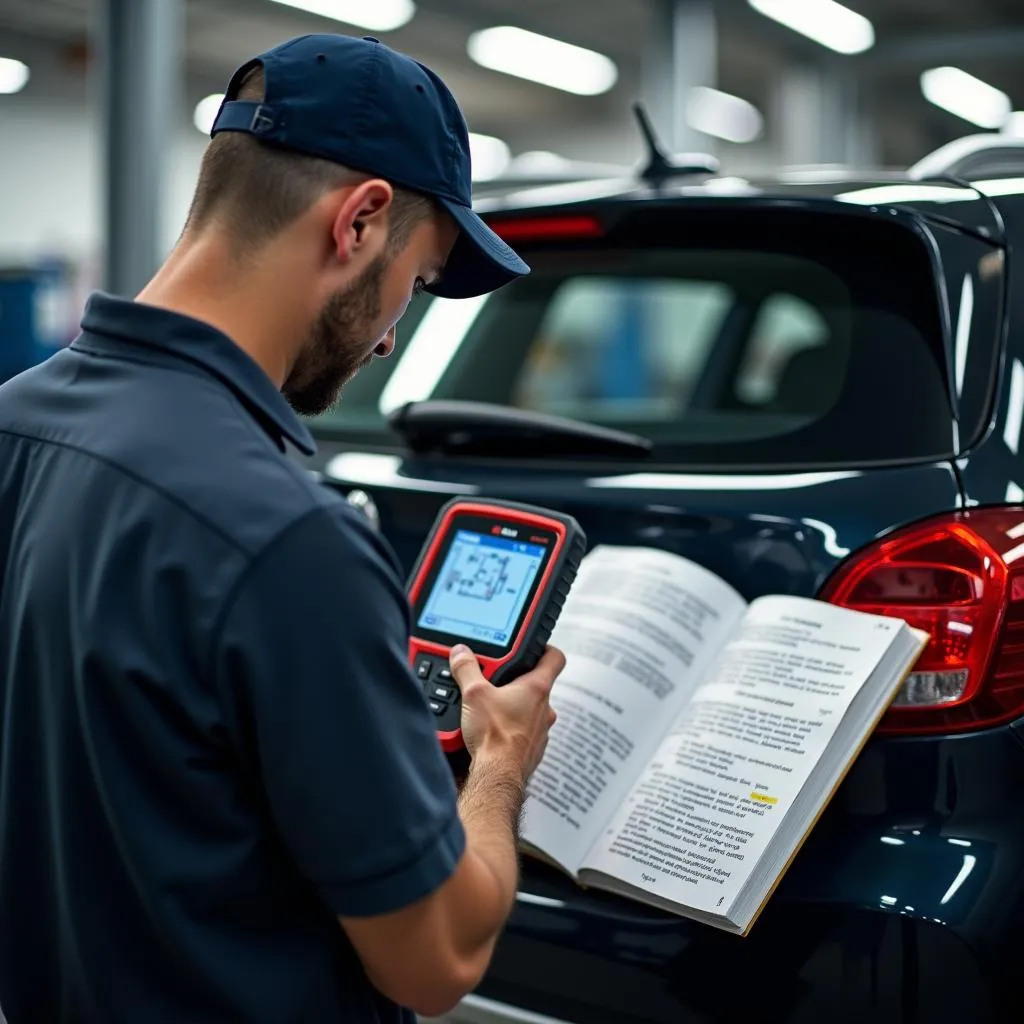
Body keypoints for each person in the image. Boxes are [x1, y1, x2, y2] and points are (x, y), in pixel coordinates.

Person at [0, 33, 564, 1024]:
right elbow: (433, 960)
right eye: (418, 283)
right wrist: (501, 767)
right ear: (359, 222)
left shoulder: (16, 420)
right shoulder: (287, 541)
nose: (391, 334)